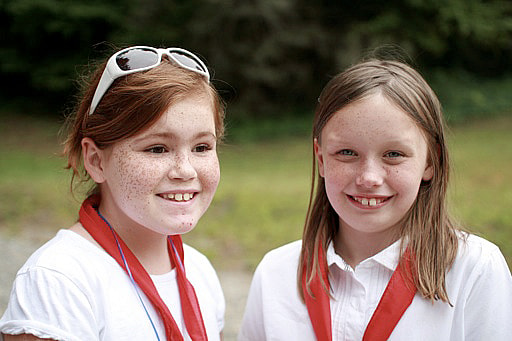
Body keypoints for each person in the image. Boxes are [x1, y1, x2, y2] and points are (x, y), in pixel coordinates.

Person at [238, 59, 512, 340]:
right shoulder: (275, 274)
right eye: (347, 152)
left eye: (393, 154)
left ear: (431, 161)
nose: (369, 178)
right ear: (321, 158)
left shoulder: (475, 270)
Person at [0, 46, 226, 341]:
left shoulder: (199, 271)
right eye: (157, 148)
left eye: (202, 147)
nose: (185, 170)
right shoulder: (59, 282)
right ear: (96, 161)